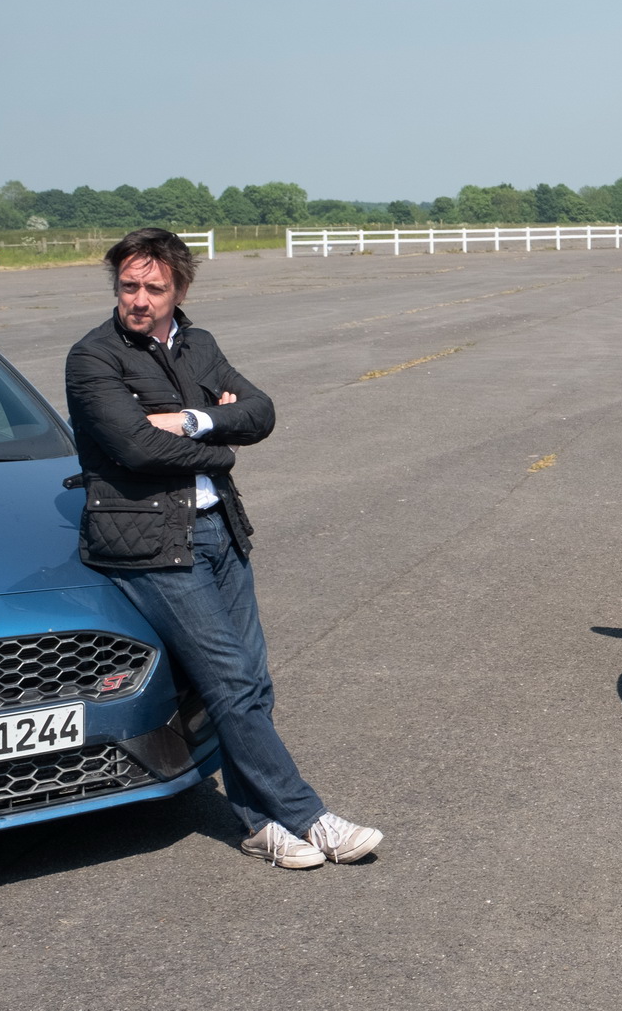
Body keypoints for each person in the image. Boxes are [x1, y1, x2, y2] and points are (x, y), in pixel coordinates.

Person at [65, 228, 383, 870]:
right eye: (129, 285)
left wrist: (191, 419)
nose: (140, 299)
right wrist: (222, 441)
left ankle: (259, 823)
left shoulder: (200, 346)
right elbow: (133, 448)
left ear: (179, 289)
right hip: (152, 542)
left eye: (155, 287)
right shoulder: (93, 358)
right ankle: (305, 815)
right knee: (231, 680)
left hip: (220, 531)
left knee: (251, 683)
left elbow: (260, 411)